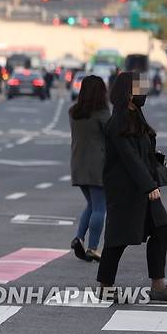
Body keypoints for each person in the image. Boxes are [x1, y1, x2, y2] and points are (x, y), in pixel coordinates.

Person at [97, 72, 167, 301]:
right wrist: (149, 186)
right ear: (127, 92)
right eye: (139, 89)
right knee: (118, 239)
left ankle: (158, 285)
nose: (143, 93)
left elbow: (142, 152)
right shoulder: (117, 122)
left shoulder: (137, 115)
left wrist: (157, 162)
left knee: (161, 231)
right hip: (126, 191)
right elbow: (129, 158)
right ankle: (105, 286)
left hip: (145, 187)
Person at [69, 75, 110, 262]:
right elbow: (112, 138)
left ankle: (79, 238)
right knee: (100, 207)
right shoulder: (102, 114)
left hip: (78, 165)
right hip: (98, 166)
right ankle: (93, 247)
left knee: (92, 205)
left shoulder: (73, 112)